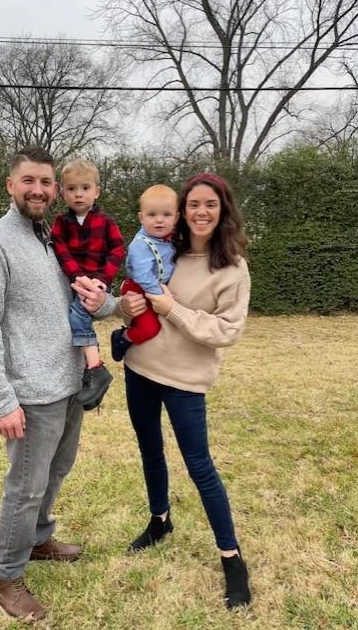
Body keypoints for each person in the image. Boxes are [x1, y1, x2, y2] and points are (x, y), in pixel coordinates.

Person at [0, 146, 144, 624]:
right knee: (25, 486)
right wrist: (1, 399)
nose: (39, 190)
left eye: (46, 182)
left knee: (56, 471)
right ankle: (4, 578)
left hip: (70, 383)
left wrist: (114, 306)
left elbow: (77, 300)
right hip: (30, 392)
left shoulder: (53, 235)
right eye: (29, 180)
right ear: (11, 185)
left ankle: (39, 538)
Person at [122, 173, 252, 609]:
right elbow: (134, 295)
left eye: (210, 204)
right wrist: (127, 306)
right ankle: (160, 520)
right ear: (182, 211)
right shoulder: (162, 248)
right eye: (193, 204)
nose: (201, 211)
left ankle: (231, 556)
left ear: (222, 210)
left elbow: (228, 331)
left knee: (200, 466)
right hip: (141, 368)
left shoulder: (231, 267)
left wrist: (173, 309)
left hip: (185, 382)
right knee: (150, 450)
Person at [51, 159, 125, 410]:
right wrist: (76, 276)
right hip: (76, 282)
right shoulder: (61, 223)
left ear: (97, 191)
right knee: (74, 317)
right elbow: (62, 252)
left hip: (98, 283)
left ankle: (96, 368)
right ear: (63, 192)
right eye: (72, 189)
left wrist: (102, 280)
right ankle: (89, 370)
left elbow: (117, 250)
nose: (78, 194)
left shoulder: (106, 222)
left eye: (85, 188)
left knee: (77, 315)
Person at [111, 184, 179, 361]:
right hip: (139, 289)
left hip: (155, 288)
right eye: (152, 215)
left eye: (166, 215)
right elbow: (143, 276)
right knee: (149, 329)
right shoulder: (141, 245)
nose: (159, 220)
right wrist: (161, 296)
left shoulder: (169, 239)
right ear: (141, 217)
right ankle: (123, 338)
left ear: (176, 217)